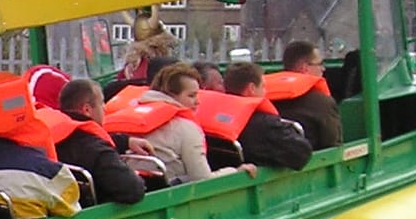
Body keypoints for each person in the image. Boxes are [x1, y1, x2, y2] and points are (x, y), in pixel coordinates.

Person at [114, 62, 253, 184]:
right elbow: (203, 179)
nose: (197, 101)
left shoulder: (135, 115)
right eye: (191, 96)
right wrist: (235, 172)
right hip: (169, 192)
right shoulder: (187, 128)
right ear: (171, 95)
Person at [54, 77, 146, 204]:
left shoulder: (53, 138)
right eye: (102, 103)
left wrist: (124, 141)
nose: (105, 108)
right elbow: (132, 190)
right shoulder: (95, 149)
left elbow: (78, 145)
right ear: (87, 110)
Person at [220, 61, 313, 171]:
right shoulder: (265, 124)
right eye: (263, 86)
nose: (265, 91)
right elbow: (302, 155)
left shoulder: (219, 118)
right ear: (252, 89)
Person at [269, 41, 344, 151]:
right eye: (320, 64)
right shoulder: (322, 102)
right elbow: (333, 144)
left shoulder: (263, 97)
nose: (323, 69)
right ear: (305, 67)